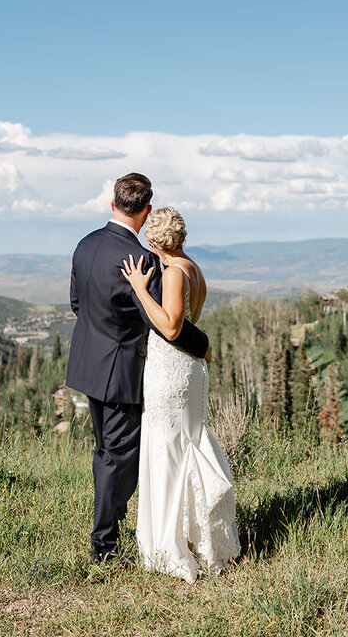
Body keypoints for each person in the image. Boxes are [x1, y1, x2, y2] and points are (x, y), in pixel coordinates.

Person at [65, 173, 211, 564]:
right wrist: (204, 345)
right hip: (123, 371)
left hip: (87, 365)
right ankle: (104, 546)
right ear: (146, 212)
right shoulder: (142, 260)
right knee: (119, 458)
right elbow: (168, 328)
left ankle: (112, 525)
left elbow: (78, 304)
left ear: (113, 204)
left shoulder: (84, 245)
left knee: (105, 452)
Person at [121, 206, 241, 581]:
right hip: (191, 370)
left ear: (156, 243)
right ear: (183, 237)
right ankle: (201, 538)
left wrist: (141, 290)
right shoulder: (195, 269)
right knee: (188, 444)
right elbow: (191, 322)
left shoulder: (173, 273)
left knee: (167, 450)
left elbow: (172, 328)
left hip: (170, 370)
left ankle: (172, 544)